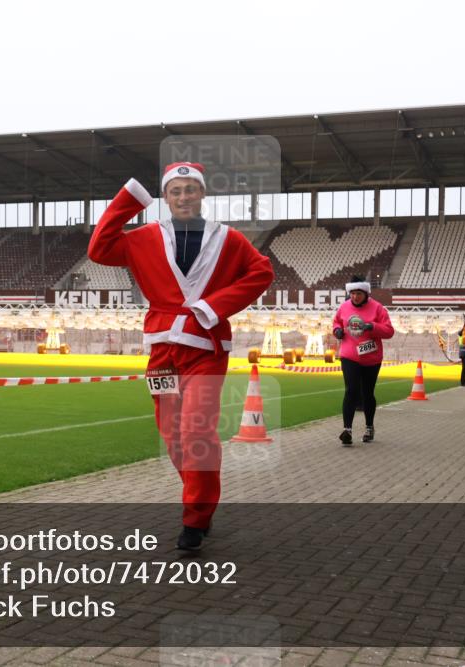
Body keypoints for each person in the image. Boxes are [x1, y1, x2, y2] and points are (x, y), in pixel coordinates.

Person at [88, 162, 273, 551]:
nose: (184, 196)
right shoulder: (143, 237)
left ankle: (195, 519)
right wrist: (129, 200)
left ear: (202, 194)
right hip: (162, 353)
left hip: (206, 348)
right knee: (173, 436)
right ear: (165, 197)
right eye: (175, 190)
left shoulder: (230, 239)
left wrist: (213, 306)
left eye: (191, 189)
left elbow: (262, 273)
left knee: (197, 432)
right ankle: (199, 498)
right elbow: (99, 249)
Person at [331, 276, 395, 446]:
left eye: (358, 293)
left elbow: (389, 331)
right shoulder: (344, 307)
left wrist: (372, 327)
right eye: (352, 293)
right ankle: (347, 430)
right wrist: (337, 331)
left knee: (367, 393)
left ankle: (369, 427)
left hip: (371, 358)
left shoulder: (378, 308)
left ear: (366, 293)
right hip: (349, 355)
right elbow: (336, 322)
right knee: (351, 390)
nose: (355, 297)